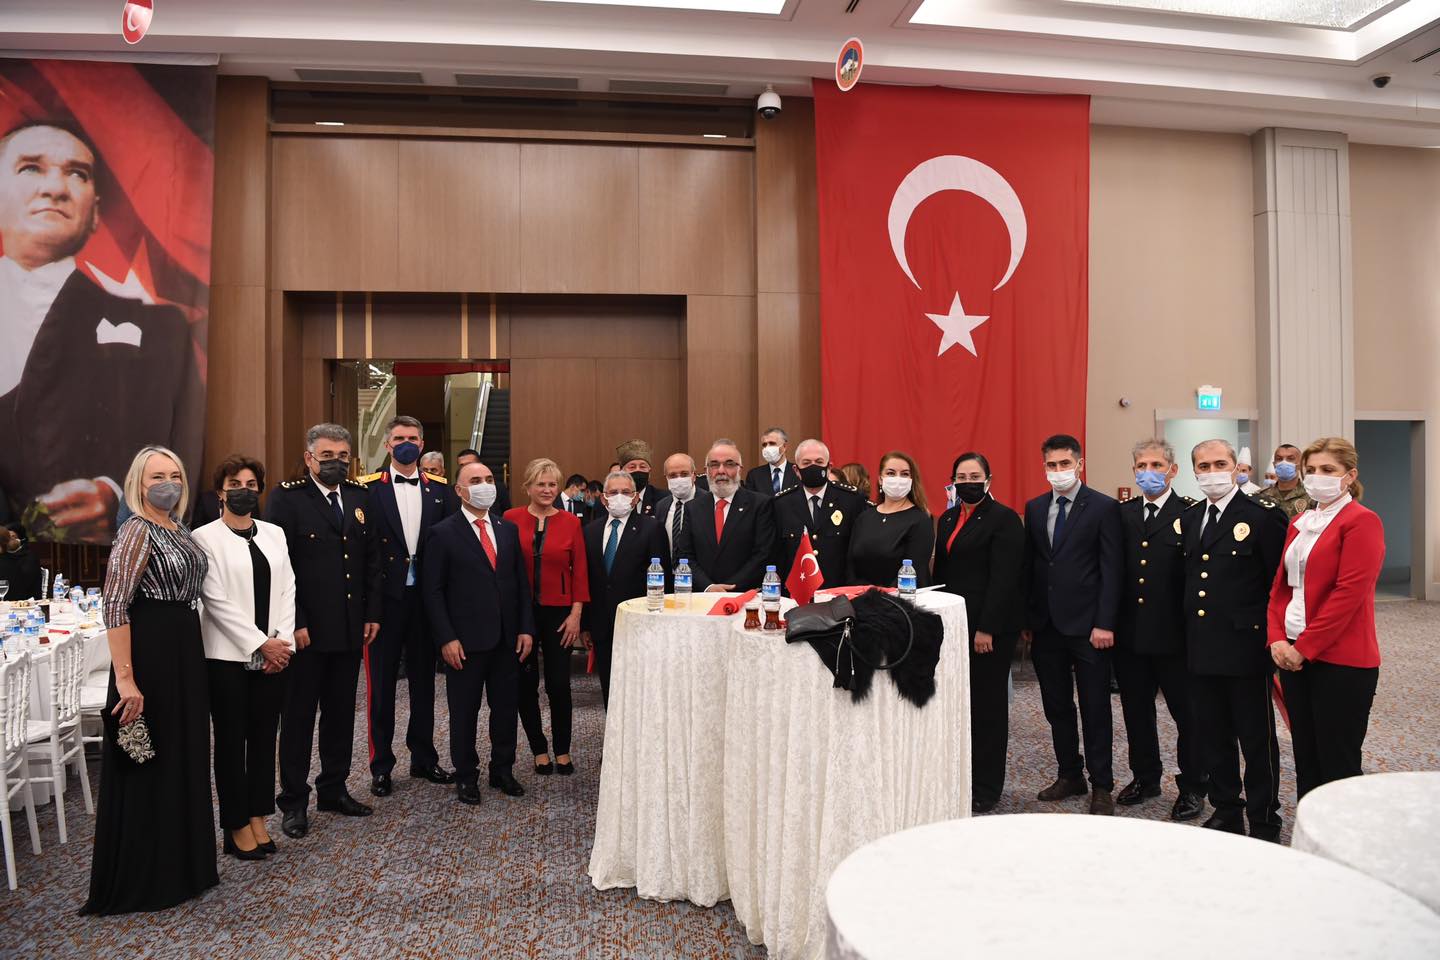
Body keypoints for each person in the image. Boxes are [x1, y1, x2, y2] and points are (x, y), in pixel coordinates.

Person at [0, 121, 203, 543]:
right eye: (31, 168)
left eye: (77, 174)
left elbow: (180, 443)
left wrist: (116, 498)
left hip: (98, 556)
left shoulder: (160, 331)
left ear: (95, 213)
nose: (55, 189)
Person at [83, 445, 216, 914]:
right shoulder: (136, 529)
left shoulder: (177, 527)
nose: (169, 483)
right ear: (138, 483)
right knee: (147, 758)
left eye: (175, 475)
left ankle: (184, 867)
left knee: (182, 752)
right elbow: (115, 604)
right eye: (158, 476)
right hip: (149, 654)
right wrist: (126, 680)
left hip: (183, 648)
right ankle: (149, 878)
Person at [264, 423, 381, 839]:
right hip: (306, 633)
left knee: (340, 714)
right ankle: (294, 801)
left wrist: (372, 613)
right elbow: (279, 566)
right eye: (327, 456)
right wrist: (294, 622)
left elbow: (370, 561)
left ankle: (333, 788)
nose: (336, 463)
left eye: (343, 456)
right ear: (309, 458)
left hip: (349, 629)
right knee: (298, 719)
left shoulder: (359, 496)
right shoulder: (287, 498)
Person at [1266, 437, 1384, 801]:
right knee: (1306, 755)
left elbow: (1348, 595)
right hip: (1292, 653)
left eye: (1328, 470)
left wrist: (1303, 648)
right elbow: (1281, 588)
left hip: (1341, 659)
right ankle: (1310, 827)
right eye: (1312, 470)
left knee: (1338, 761)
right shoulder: (1300, 522)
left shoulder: (1362, 521)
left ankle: (1344, 833)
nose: (1317, 476)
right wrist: (1277, 638)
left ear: (1350, 476)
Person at [1183, 439, 1288, 841]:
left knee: (1256, 740)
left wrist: (1275, 640)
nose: (1212, 472)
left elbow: (1278, 586)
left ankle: (1264, 819)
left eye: (1219, 464)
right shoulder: (1192, 517)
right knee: (1213, 736)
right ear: (1195, 471)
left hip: (1246, 648)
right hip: (1202, 647)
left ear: (1235, 467)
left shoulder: (1262, 516)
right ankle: (1227, 808)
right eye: (1204, 466)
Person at [192, 455, 296, 861]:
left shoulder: (274, 533)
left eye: (251, 484)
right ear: (220, 492)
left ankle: (258, 816)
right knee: (232, 741)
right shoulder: (204, 537)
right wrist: (259, 643)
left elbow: (288, 588)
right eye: (235, 484)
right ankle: (235, 824)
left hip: (274, 656)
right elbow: (214, 599)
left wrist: (280, 642)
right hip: (226, 658)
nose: (244, 491)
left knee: (264, 738)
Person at [422, 459, 535, 804]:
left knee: (505, 709)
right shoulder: (442, 533)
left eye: (488, 479)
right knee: (464, 712)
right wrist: (446, 638)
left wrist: (525, 628)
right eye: (475, 481)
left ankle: (502, 769)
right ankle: (466, 775)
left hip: (507, 638)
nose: (485, 485)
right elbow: (433, 591)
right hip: (464, 642)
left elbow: (520, 583)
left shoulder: (507, 529)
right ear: (459, 490)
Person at [1021, 434, 1122, 816]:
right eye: (1052, 465)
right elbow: (1033, 565)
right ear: (1044, 467)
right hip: (1047, 626)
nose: (1058, 471)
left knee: (1095, 708)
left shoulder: (1103, 507)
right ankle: (1069, 773)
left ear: (1079, 464)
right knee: (1057, 705)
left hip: (1089, 627)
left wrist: (1105, 622)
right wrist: (1029, 618)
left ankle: (1101, 784)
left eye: (1065, 464)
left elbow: (1111, 569)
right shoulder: (1035, 508)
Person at [358, 416, 457, 798]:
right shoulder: (367, 489)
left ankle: (424, 757)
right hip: (384, 602)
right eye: (399, 437)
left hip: (426, 601)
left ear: (422, 443)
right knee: (381, 687)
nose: (406, 443)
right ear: (387, 445)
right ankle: (381, 766)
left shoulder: (441, 490)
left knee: (423, 683)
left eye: (413, 438)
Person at [1114, 440, 1205, 821]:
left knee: (1189, 716)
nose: (1148, 471)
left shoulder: (1192, 513)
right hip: (1132, 635)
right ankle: (1145, 776)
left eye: (1156, 464)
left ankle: (1193, 785)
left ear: (1172, 470)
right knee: (1136, 712)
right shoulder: (1122, 513)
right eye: (1141, 465)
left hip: (1176, 636)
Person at [932, 451, 1025, 813]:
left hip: (988, 631)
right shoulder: (948, 517)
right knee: (960, 706)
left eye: (975, 477)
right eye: (961, 477)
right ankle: (961, 776)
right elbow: (944, 572)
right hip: (955, 626)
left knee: (988, 709)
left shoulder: (1004, 519)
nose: (968, 483)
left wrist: (987, 628)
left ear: (988, 480)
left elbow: (1005, 579)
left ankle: (987, 786)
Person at [505, 458, 590, 776]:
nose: (547, 489)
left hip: (560, 613)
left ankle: (562, 750)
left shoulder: (571, 522)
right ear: (527, 487)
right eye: (540, 484)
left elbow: (580, 570)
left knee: (558, 684)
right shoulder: (510, 519)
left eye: (552, 484)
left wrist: (576, 614)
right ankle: (539, 749)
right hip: (522, 614)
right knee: (525, 684)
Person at [582, 471, 671, 706]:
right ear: (603, 498)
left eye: (625, 492)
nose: (619, 497)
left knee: (640, 688)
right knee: (609, 686)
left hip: (640, 624)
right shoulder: (590, 531)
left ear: (635, 498)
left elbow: (663, 579)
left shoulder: (652, 528)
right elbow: (587, 579)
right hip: (602, 624)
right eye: (613, 492)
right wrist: (586, 625)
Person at [674, 439, 776, 592]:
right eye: (714, 465)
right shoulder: (693, 508)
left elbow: (762, 555)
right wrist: (708, 587)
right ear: (706, 470)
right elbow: (685, 555)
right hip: (703, 596)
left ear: (740, 469)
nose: (721, 471)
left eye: (729, 464)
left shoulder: (760, 504)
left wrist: (729, 588)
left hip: (743, 595)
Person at [771, 439, 868, 589]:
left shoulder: (851, 500)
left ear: (829, 467)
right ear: (796, 470)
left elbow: (858, 552)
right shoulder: (782, 503)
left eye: (819, 462)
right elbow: (778, 554)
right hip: (797, 592)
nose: (813, 467)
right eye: (806, 463)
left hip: (839, 592)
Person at [846, 451, 934, 588]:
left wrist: (881, 596)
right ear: (880, 479)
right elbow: (850, 565)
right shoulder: (864, 518)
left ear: (912, 480)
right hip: (859, 596)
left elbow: (915, 571)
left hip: (900, 598)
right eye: (891, 473)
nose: (898, 478)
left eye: (904, 474)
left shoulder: (920, 520)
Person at [653, 452, 699, 559]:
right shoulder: (661, 506)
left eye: (684, 474)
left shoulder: (708, 502)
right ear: (666, 478)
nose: (679, 479)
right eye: (672, 475)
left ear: (694, 476)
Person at [744, 426, 798, 497]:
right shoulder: (754, 475)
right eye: (764, 445)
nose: (767, 448)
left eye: (772, 443)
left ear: (784, 446)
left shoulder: (797, 471)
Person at [1260, 443, 1311, 518]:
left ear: (1300, 465)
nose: (1284, 462)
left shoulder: (1311, 496)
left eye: (1290, 459)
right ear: (1274, 464)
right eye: (1279, 459)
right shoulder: (1261, 496)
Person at [616, 439, 664, 517]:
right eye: (632, 467)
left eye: (642, 466)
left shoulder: (663, 499)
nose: (638, 470)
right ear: (621, 472)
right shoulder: (611, 500)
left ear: (649, 472)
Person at [0, 523, 41, 600]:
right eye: (7, 538)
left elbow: (24, 583)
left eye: (12, 537)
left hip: (25, 599)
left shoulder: (29, 557)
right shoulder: (6, 557)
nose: (9, 541)